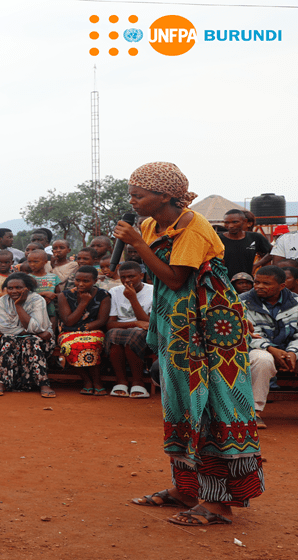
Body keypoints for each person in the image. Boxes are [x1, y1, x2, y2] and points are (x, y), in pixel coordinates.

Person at [116, 161, 261, 526]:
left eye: (139, 194)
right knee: (180, 403)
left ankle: (218, 505)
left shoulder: (193, 227)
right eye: (131, 193)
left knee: (211, 404)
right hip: (175, 324)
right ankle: (187, 488)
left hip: (207, 326)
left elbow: (176, 278)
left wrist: (136, 244)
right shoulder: (151, 224)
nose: (132, 200)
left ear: (165, 195)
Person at [240, 266, 297, 430]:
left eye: (266, 283)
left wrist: (293, 352)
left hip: (289, 350)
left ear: (281, 286)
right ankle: (254, 413)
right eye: (256, 282)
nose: (259, 286)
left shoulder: (296, 303)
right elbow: (249, 334)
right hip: (258, 350)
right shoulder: (242, 302)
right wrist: (271, 350)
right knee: (262, 359)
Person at [0, 273, 55, 398]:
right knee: (8, 339)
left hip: (41, 341)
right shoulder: (2, 302)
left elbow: (37, 327)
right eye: (10, 288)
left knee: (31, 341)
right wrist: (34, 332)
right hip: (17, 338)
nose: (14, 291)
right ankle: (0, 382)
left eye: (18, 287)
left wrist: (18, 306)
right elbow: (4, 328)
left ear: (27, 288)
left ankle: (43, 383)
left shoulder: (37, 300)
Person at [57, 266, 111, 396]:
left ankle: (97, 382)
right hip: (68, 331)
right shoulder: (65, 295)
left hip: (93, 330)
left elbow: (102, 320)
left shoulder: (103, 295)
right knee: (70, 346)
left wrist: (82, 329)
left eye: (86, 281)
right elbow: (68, 321)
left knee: (91, 344)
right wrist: (83, 303)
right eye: (77, 280)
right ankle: (87, 381)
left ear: (95, 281)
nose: (80, 284)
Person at [105, 261, 154, 398]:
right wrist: (135, 323)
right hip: (125, 329)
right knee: (113, 335)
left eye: (131, 277)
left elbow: (149, 323)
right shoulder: (114, 292)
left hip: (144, 332)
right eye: (123, 277)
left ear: (141, 275)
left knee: (132, 337)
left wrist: (133, 299)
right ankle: (121, 381)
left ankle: (138, 382)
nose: (127, 280)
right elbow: (110, 324)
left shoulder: (153, 291)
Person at [220, 209, 272, 278]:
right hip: (225, 282)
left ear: (245, 221)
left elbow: (273, 252)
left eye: (235, 222)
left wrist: (257, 265)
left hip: (247, 282)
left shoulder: (255, 237)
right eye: (226, 223)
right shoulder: (218, 239)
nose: (230, 226)